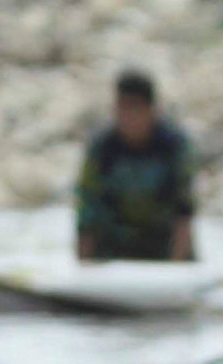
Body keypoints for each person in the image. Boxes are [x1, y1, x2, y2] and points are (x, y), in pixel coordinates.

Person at [73, 71, 196, 262]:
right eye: (122, 108)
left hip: (163, 248)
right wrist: (83, 268)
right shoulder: (102, 148)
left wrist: (176, 270)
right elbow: (87, 213)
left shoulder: (173, 146)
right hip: (113, 251)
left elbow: (183, 212)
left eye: (135, 108)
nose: (128, 117)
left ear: (151, 109)